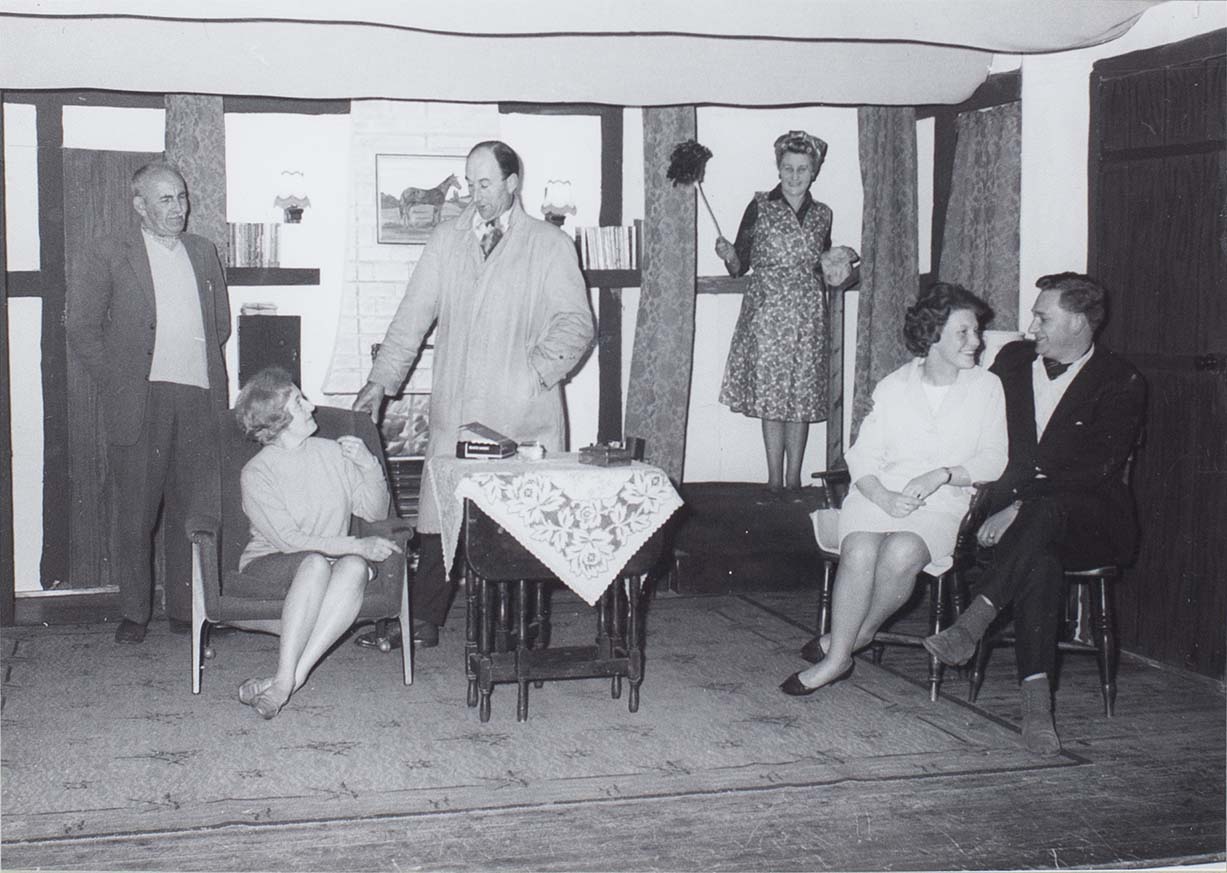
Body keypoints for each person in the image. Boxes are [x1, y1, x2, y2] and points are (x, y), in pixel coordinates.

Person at [353, 140, 594, 649]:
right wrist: (379, 383)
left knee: (519, 526)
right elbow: (411, 315)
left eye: (485, 184)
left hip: (522, 412)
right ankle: (422, 619)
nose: (474, 194)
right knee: (443, 516)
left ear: (512, 183)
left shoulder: (549, 244)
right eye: (469, 183)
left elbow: (577, 323)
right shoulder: (446, 240)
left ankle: (522, 628)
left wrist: (534, 373)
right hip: (457, 409)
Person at [924, 273, 1145, 756]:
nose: (1030, 326)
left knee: (1044, 520)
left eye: (1043, 317)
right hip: (1020, 525)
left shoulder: (1121, 380)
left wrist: (1020, 505)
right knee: (1039, 561)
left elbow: (1093, 471)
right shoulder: (1012, 361)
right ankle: (1037, 711)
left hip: (1090, 522)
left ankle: (973, 621)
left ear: (1079, 322)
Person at [781, 283, 1008, 696]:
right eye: (964, 332)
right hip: (878, 493)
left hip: (944, 502)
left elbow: (994, 460)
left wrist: (941, 474)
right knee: (861, 549)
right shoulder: (894, 386)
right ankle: (838, 657)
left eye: (976, 332)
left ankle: (853, 640)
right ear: (933, 334)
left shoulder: (986, 388)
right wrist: (883, 496)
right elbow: (863, 456)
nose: (976, 341)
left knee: (901, 551)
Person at [65, 161, 231, 645]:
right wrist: (119, 381)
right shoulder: (107, 253)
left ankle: (186, 610)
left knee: (192, 512)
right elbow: (82, 328)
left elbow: (219, 325)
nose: (178, 208)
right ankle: (135, 614)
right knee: (136, 513)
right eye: (166, 199)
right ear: (139, 205)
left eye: (181, 197)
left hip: (199, 396)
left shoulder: (203, 252)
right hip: (141, 399)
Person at [233, 367, 402, 719]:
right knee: (316, 562)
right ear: (276, 419)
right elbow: (289, 540)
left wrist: (368, 465)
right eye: (299, 401)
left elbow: (374, 510)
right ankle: (285, 678)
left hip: (331, 560)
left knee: (355, 567)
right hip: (272, 562)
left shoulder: (332, 452)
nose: (311, 407)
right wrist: (357, 545)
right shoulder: (257, 472)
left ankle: (287, 680)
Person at [715, 129, 856, 502]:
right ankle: (774, 481)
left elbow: (821, 267)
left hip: (808, 313)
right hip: (766, 312)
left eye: (803, 169)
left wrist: (838, 262)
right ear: (778, 169)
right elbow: (739, 266)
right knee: (771, 397)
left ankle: (794, 482)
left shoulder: (823, 214)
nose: (795, 176)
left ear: (814, 172)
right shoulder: (760, 205)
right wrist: (728, 254)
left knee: (801, 398)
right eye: (788, 168)